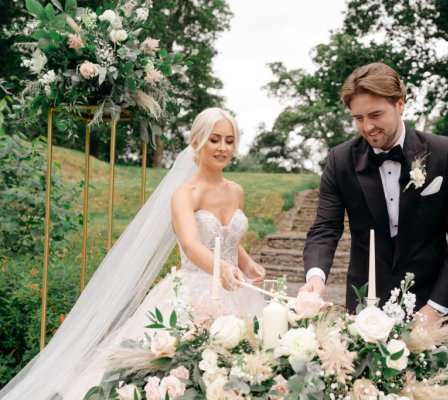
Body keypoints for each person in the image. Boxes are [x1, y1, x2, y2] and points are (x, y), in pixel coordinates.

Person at [0, 108, 265, 400]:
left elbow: (225, 236)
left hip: (236, 291)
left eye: (229, 141)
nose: (223, 148)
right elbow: (191, 244)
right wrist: (222, 268)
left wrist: (247, 262)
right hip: (194, 295)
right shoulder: (184, 193)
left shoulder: (236, 191)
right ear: (197, 141)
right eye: (215, 140)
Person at [300, 62, 448, 328]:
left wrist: (436, 308)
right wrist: (315, 277)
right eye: (358, 118)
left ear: (400, 104)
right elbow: (325, 228)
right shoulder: (340, 161)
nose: (367, 127)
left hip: (427, 303)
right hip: (364, 306)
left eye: (375, 115)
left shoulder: (444, 154)